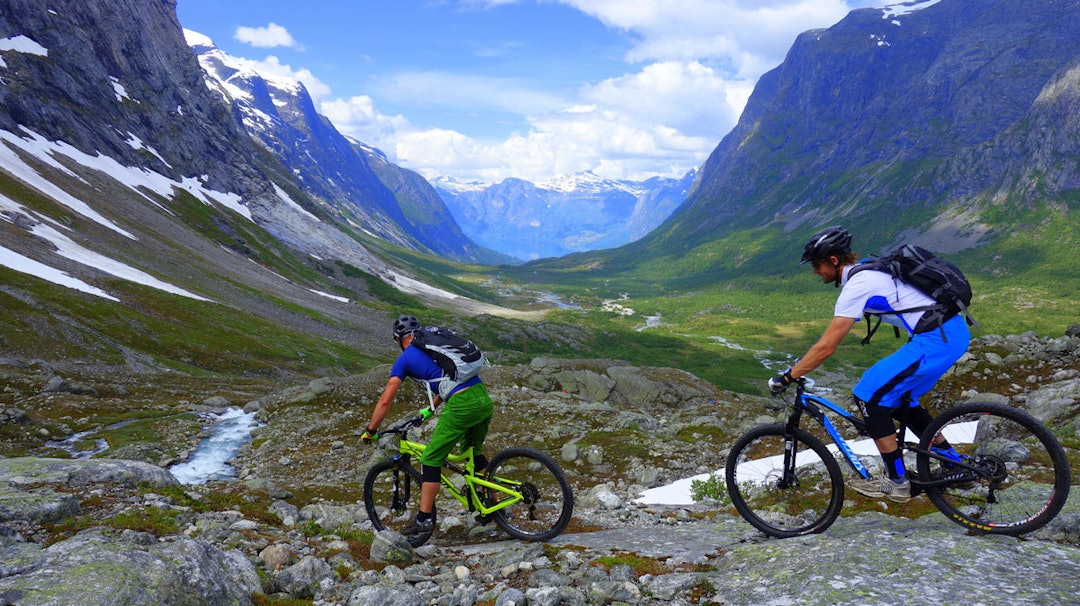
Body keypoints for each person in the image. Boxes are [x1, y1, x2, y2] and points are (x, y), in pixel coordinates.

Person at [768, 226, 971, 502]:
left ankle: (896, 482)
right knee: (901, 401)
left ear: (834, 261)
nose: (815, 271)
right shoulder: (866, 269)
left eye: (817, 265)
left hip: (936, 340)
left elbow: (827, 346)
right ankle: (954, 463)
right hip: (950, 333)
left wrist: (788, 377)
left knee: (869, 395)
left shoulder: (857, 285)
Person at [360, 315, 494, 535]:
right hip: (482, 398)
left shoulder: (405, 359)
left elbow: (385, 400)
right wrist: (428, 410)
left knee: (430, 459)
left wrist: (371, 431)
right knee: (473, 452)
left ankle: (423, 519)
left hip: (462, 405)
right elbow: (446, 380)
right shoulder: (433, 347)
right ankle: (493, 506)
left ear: (398, 339)